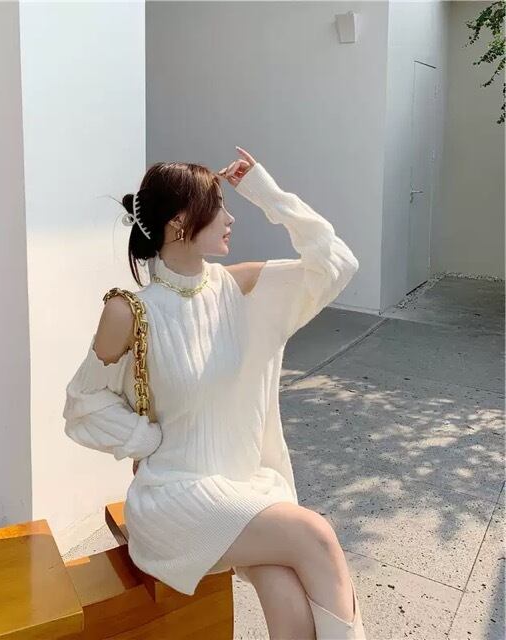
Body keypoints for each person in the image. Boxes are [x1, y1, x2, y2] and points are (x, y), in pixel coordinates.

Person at [63, 146, 365, 639]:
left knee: (284, 589)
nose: (230, 218)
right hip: (175, 499)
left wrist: (267, 193)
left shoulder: (238, 289)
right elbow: (81, 405)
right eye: (217, 206)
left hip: (244, 487)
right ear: (180, 223)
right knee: (316, 536)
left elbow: (337, 264)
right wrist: (145, 440)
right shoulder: (131, 312)